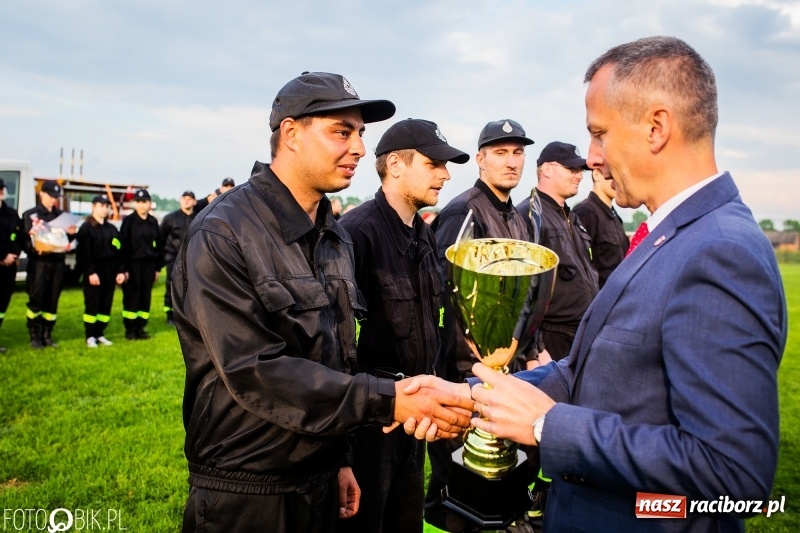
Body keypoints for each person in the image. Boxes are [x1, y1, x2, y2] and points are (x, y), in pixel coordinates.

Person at [412, 36, 787, 533]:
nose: (592, 157)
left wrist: (548, 426)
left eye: (599, 134)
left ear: (656, 128)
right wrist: (473, 395)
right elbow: (588, 372)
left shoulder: (721, 251)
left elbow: (731, 476)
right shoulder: (666, 234)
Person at [173, 71, 474, 533]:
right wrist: (390, 400)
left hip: (318, 478)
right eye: (341, 131)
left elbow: (334, 358)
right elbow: (256, 370)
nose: (357, 148)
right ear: (291, 133)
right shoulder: (224, 231)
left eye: (360, 134)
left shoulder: (333, 236)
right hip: (249, 490)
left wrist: (340, 459)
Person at [337, 118, 469, 533]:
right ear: (395, 164)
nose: (445, 174)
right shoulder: (355, 234)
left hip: (416, 420)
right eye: (433, 164)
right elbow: (335, 349)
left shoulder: (423, 235)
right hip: (370, 424)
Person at [426, 119, 535, 533]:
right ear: (481, 159)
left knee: (497, 476)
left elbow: (521, 295)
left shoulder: (517, 217)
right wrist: (465, 373)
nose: (511, 162)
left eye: (518, 152)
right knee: (457, 484)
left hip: (502, 369)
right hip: (464, 372)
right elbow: (446, 295)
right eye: (500, 152)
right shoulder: (465, 211)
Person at [516, 142, 598, 361]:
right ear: (547, 170)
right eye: (572, 169)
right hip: (551, 341)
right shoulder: (530, 215)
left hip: (579, 335)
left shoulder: (572, 217)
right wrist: (535, 350)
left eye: (580, 170)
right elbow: (524, 290)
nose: (579, 176)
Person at [22, 180, 77, 349]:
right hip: (40, 263)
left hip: (58, 262)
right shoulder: (31, 215)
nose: (54, 200)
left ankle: (47, 334)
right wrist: (34, 248)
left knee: (52, 300)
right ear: (42, 194)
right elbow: (25, 241)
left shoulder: (61, 216)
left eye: (56, 197)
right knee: (36, 298)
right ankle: (34, 335)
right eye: (51, 196)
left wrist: (72, 235)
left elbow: (70, 241)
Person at [76, 194, 127, 347]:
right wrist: (91, 272)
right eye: (101, 206)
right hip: (94, 271)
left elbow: (119, 250)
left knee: (106, 303)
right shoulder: (86, 228)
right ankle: (90, 335)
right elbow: (83, 253)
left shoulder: (111, 229)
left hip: (109, 271)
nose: (105, 209)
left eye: (107, 206)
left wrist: (120, 271)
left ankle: (100, 333)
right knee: (93, 303)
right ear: (94, 207)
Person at [572, 169, 628, 288]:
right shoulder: (585, 212)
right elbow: (578, 268)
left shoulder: (615, 216)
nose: (617, 182)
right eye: (612, 176)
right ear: (596, 174)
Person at [119, 189, 163, 340]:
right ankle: (130, 329)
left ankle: (141, 327)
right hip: (132, 265)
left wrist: (157, 268)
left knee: (145, 296)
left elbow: (159, 246)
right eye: (138, 202)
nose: (142, 205)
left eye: (144, 202)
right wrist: (123, 269)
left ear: (149, 203)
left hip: (149, 265)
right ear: (134, 203)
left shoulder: (153, 222)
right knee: (132, 296)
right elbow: (122, 246)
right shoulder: (128, 222)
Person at [160, 190, 196, 325]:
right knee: (171, 286)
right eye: (184, 198)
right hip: (173, 257)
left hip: (191, 258)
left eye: (190, 198)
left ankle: (188, 315)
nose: (187, 201)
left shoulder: (198, 217)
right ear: (180, 200)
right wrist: (165, 257)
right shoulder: (170, 218)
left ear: (194, 202)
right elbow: (161, 238)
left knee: (190, 287)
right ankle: (170, 315)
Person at [0, 179, 21, 352]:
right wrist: (2, 256)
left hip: (9, 267)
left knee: (2, 305)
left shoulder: (12, 214)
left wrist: (13, 254)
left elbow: (17, 236)